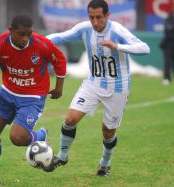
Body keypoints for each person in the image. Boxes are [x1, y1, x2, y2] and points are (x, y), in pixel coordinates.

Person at [43, 0, 150, 176]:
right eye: (91, 17)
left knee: (108, 132)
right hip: (93, 83)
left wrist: (117, 46)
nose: (95, 22)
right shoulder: (84, 28)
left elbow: (144, 48)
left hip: (118, 87)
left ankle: (105, 163)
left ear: (108, 15)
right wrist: (36, 41)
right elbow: (61, 36)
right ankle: (62, 156)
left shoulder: (117, 30)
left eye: (99, 17)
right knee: (70, 119)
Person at [0, 14, 66, 184]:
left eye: (28, 34)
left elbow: (59, 59)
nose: (25, 38)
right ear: (11, 31)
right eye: (21, 34)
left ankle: (40, 135)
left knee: (17, 138)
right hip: (7, 92)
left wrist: (59, 87)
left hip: (32, 96)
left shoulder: (41, 44)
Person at [160, 2, 174, 86]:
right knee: (167, 61)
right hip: (168, 43)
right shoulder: (169, 17)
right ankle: (166, 78)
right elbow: (167, 29)